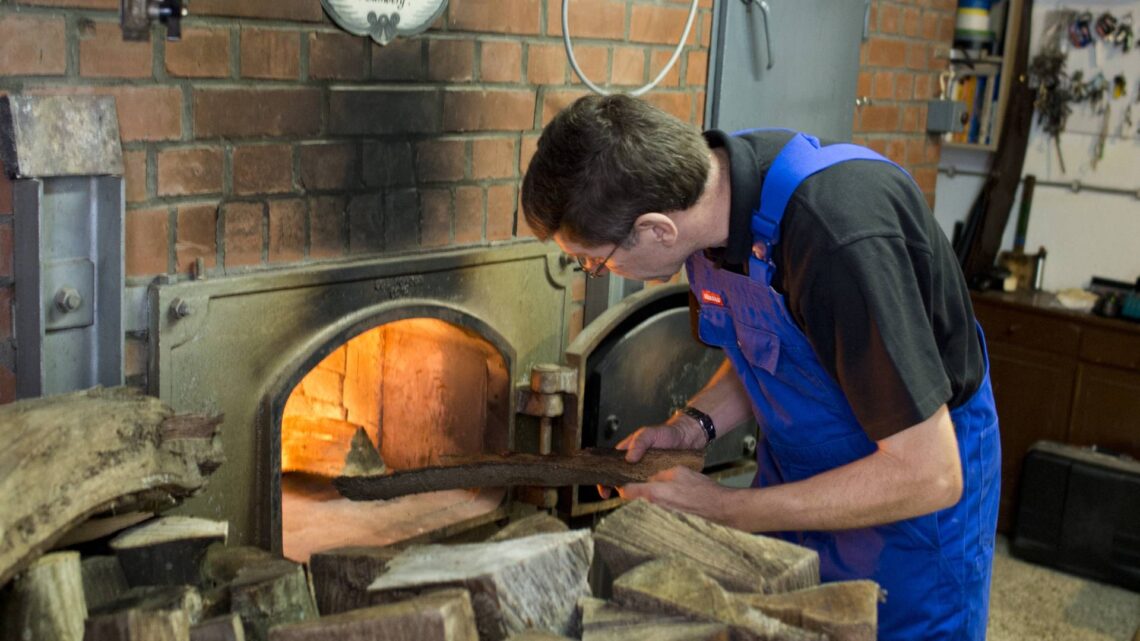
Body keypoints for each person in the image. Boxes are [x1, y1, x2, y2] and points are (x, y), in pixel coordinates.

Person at [520, 94, 1000, 641]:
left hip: (910, 509)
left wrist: (727, 509)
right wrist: (692, 426)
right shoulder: (710, 207)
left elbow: (930, 475)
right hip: (796, 485)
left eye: (592, 261)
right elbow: (767, 354)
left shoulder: (838, 242)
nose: (591, 273)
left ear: (656, 229)